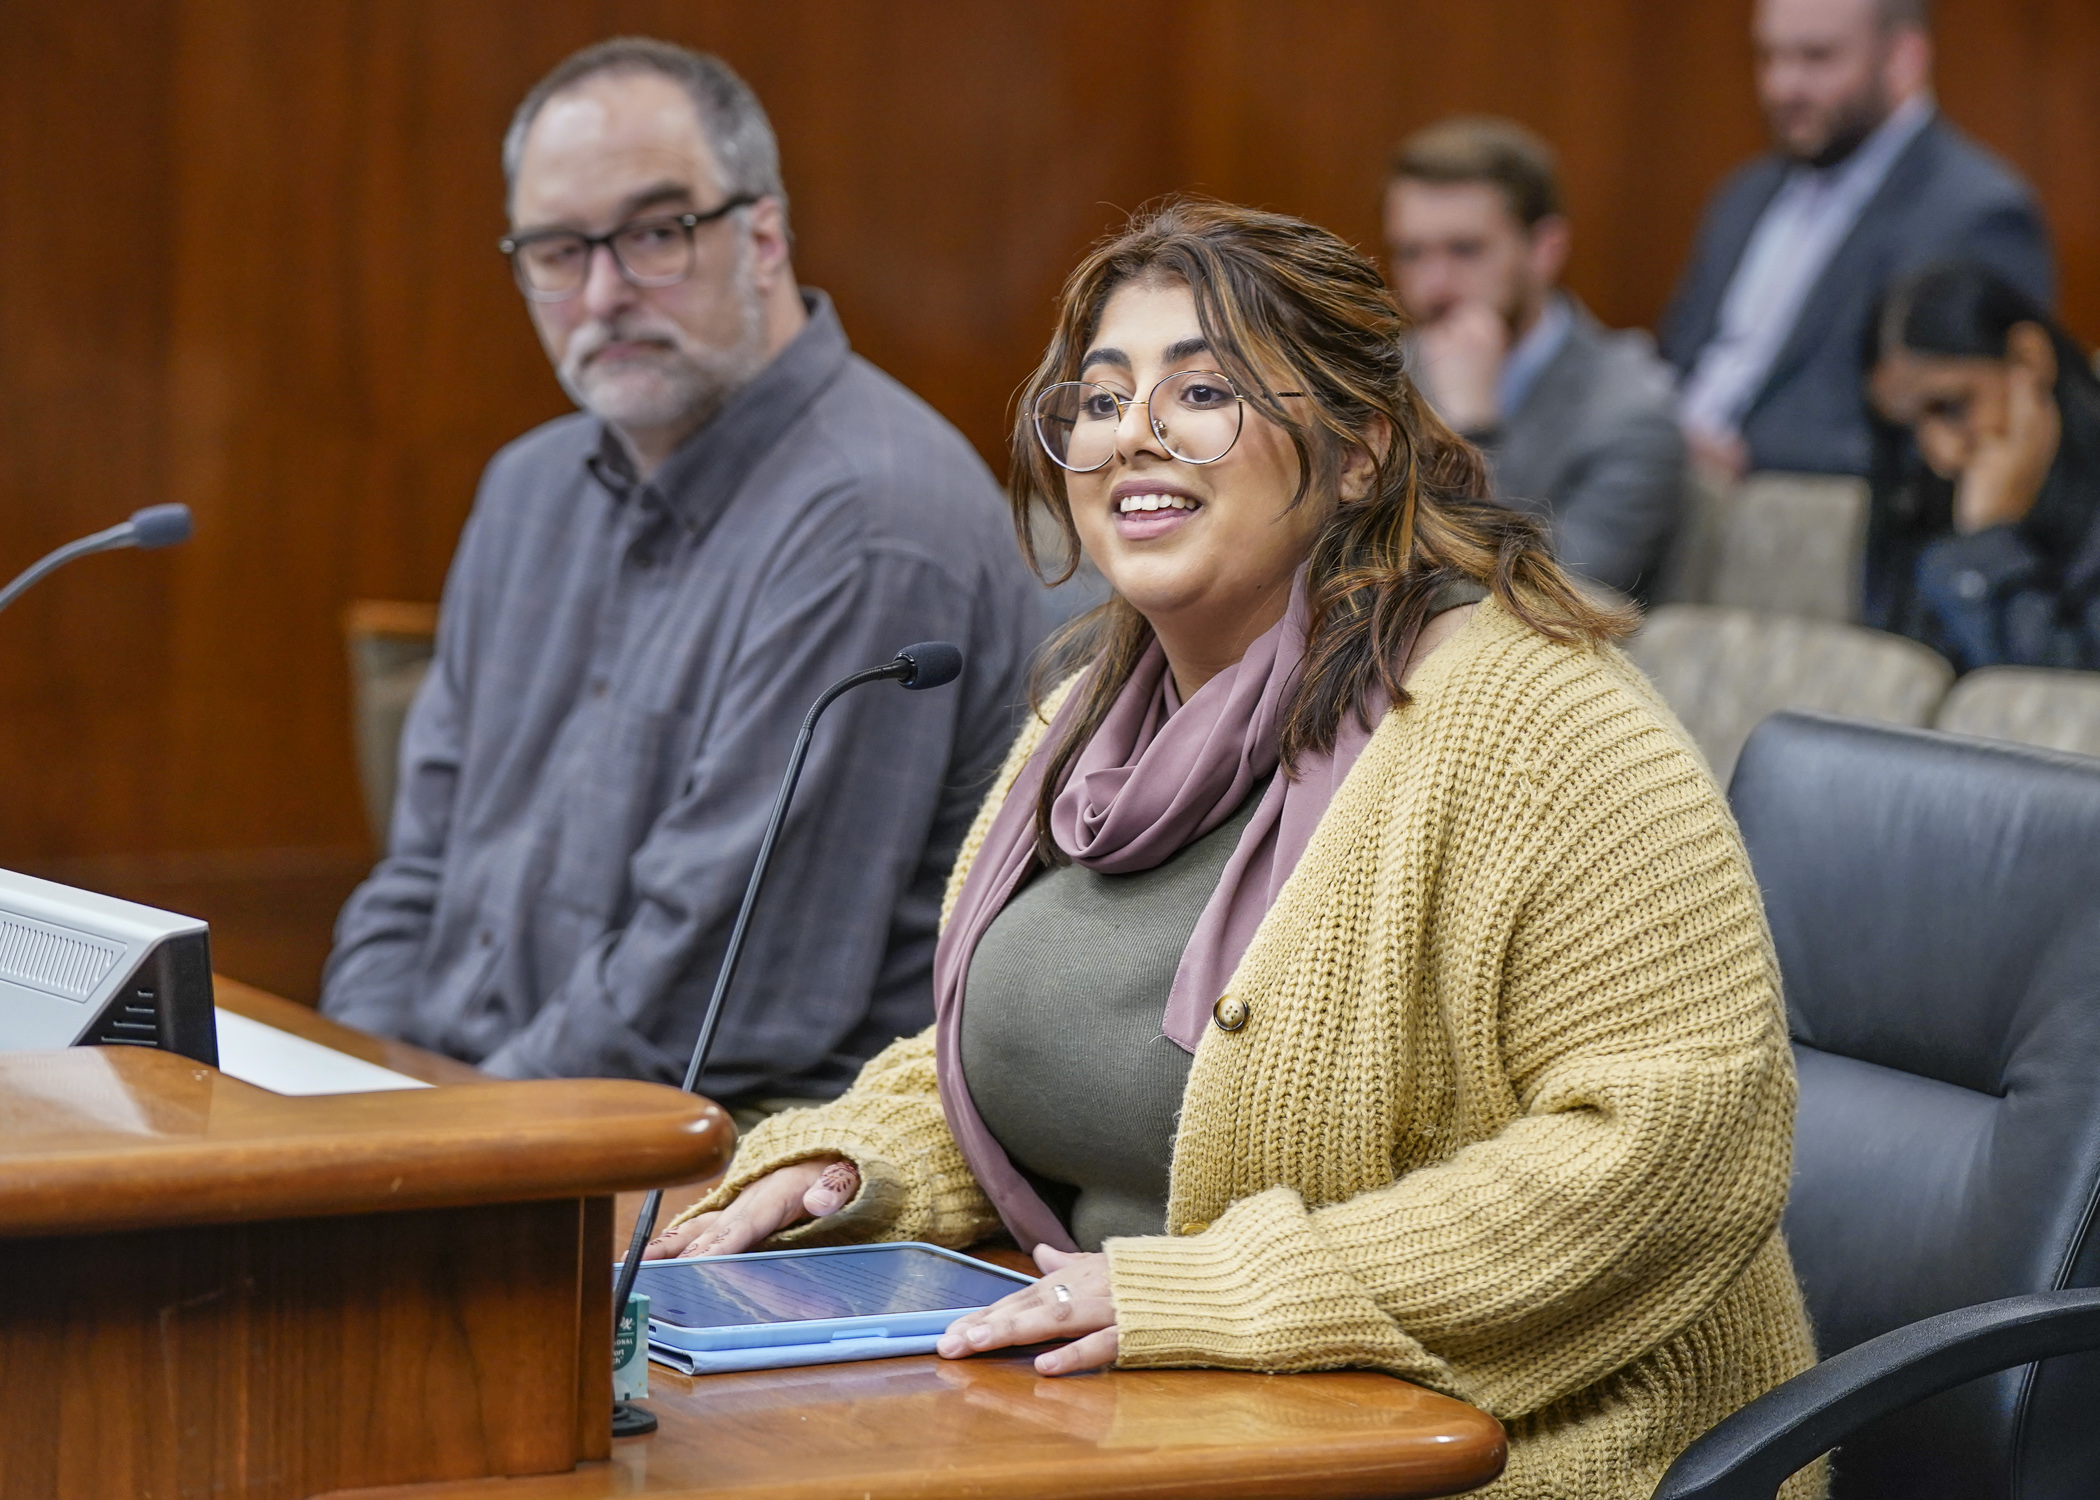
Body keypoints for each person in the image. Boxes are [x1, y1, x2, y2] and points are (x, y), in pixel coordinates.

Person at [645, 199, 1820, 1499]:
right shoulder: (1083, 722)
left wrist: (1221, 1294)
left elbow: (1677, 1154)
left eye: (1199, 390)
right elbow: (1018, 1051)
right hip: (1136, 1428)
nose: (1130, 433)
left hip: (1510, 1449)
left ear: (1364, 449)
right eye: (1097, 401)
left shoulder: (1538, 723)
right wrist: (846, 1171)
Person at [319, 39, 1043, 1106]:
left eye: (656, 234)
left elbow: (717, 996)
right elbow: (414, 878)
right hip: (473, 1122)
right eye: (559, 251)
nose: (603, 293)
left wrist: (433, 1139)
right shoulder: (527, 489)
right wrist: (343, 1090)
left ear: (763, 237)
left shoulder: (871, 519)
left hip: (711, 1158)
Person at [1661, 0, 2052, 481]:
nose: (1781, 86)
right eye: (1769, 56)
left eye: (1817, 57)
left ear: (1903, 58)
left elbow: (1964, 437)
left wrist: (1747, 458)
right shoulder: (1745, 194)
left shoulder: (1975, 214)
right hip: (1662, 487)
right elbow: (1677, 362)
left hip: (1803, 524)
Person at [1386, 116, 1684, 602]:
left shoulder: (1631, 411)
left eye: (1465, 250)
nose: (1433, 286)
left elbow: (1563, 603)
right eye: (1411, 253)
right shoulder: (1382, 375)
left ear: (1545, 251)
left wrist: (1471, 431)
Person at [1864, 262, 2100, 671]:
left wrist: (1983, 548)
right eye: (1906, 431)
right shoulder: (1916, 492)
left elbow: (2066, 705)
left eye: (1952, 406)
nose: (1941, 454)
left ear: (2029, 359)